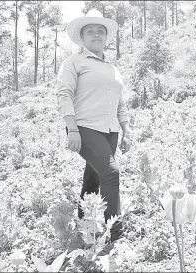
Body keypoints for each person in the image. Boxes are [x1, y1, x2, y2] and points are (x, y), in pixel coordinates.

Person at [56, 9, 131, 243]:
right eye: (91, 31)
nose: (96, 35)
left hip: (110, 131)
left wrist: (126, 131)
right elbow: (63, 94)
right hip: (85, 128)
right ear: (83, 36)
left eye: (101, 31)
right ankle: (114, 233)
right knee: (111, 172)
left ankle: (84, 224)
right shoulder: (74, 62)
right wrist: (73, 129)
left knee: (94, 177)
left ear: (106, 37)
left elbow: (121, 103)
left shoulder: (113, 69)